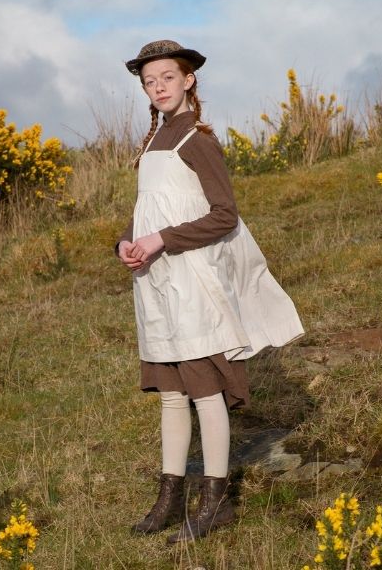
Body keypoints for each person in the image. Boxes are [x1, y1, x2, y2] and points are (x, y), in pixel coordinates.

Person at [116, 39, 304, 544]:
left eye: (167, 78)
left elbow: (225, 216)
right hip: (155, 282)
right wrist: (127, 243)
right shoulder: (153, 141)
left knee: (204, 392)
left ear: (188, 80)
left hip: (192, 280)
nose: (158, 87)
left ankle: (215, 502)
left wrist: (162, 240)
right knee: (171, 395)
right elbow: (151, 211)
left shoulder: (196, 138)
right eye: (149, 81)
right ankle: (168, 499)